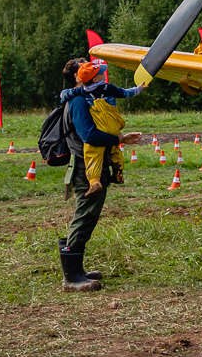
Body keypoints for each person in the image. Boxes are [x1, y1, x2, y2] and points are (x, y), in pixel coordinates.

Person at [59, 57, 144, 292]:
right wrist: (120, 139)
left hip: (88, 165)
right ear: (79, 77)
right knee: (84, 216)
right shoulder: (77, 101)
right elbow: (89, 135)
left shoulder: (84, 97)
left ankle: (76, 269)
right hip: (84, 168)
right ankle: (72, 276)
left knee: (88, 215)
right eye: (87, 68)